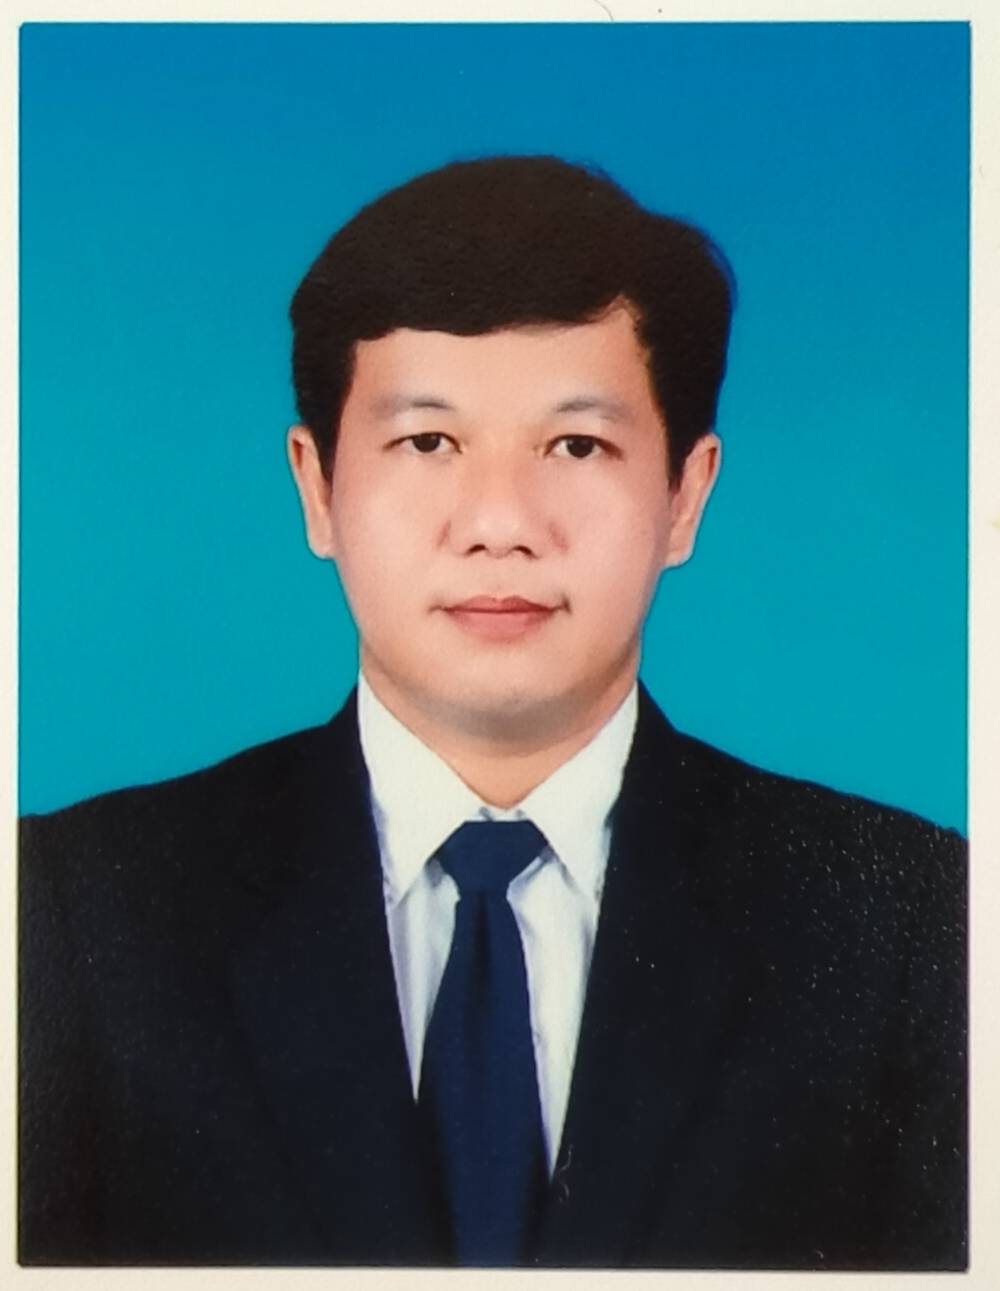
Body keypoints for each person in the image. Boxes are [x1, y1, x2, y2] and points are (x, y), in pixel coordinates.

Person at [18, 156, 966, 1270]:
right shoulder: (74, 912)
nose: (501, 523)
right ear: (317, 487)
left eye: (576, 445)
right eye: (428, 441)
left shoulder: (906, 923)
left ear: (685, 494)